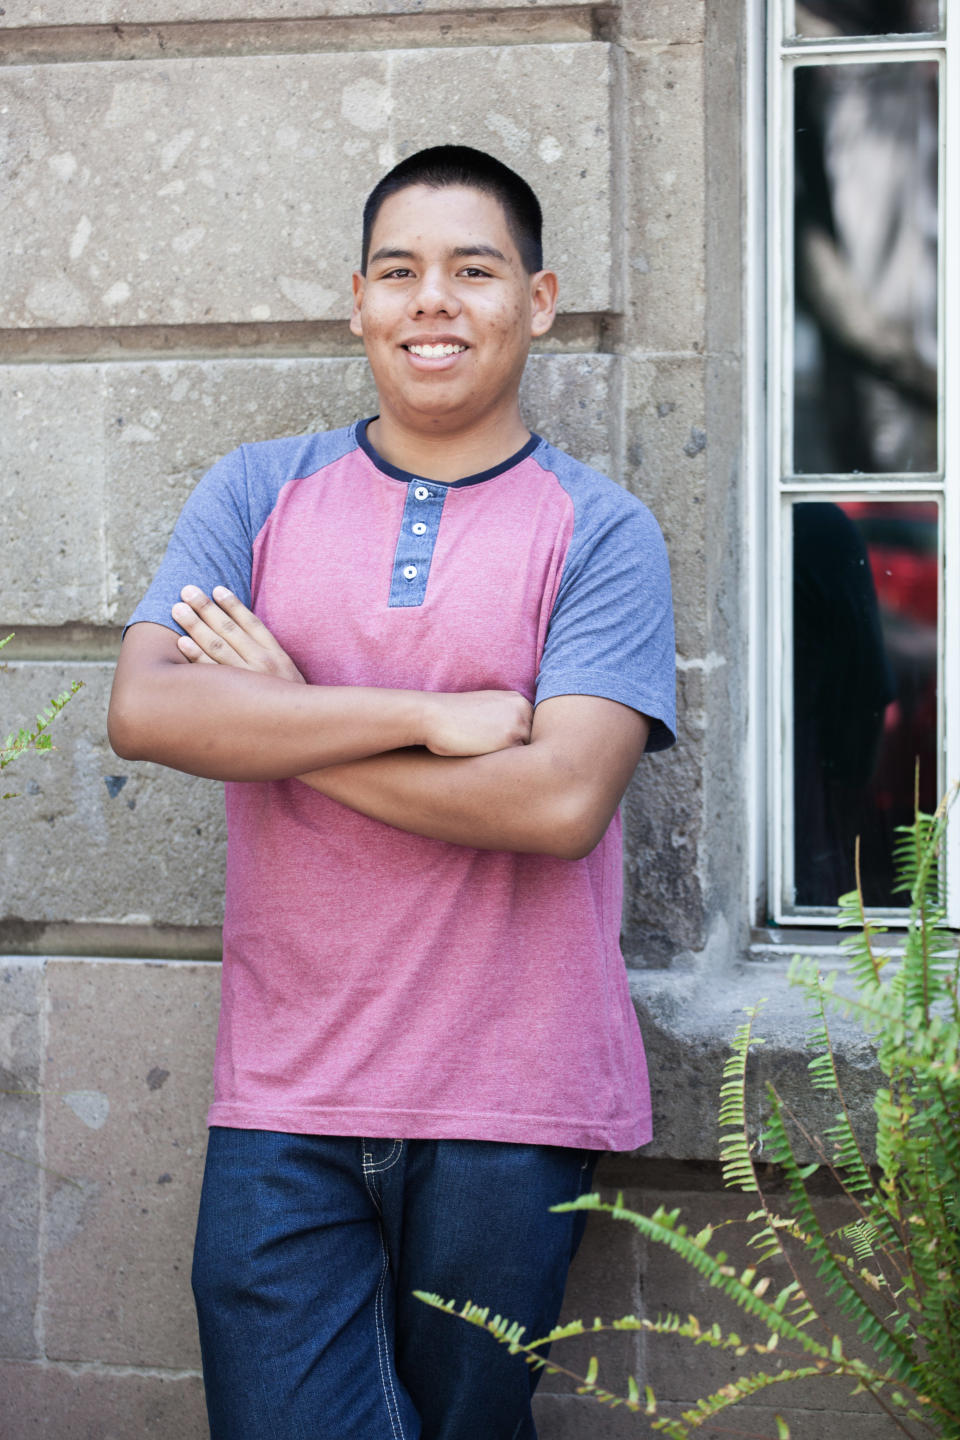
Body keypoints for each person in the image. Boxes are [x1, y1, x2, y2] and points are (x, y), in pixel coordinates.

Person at [108, 145, 676, 1440]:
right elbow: (146, 710)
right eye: (400, 272)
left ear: (536, 299)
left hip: (509, 1103)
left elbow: (555, 805)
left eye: (472, 270)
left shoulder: (601, 530)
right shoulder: (255, 492)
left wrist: (279, 712)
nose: (434, 300)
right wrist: (427, 717)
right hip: (283, 1098)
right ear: (357, 300)